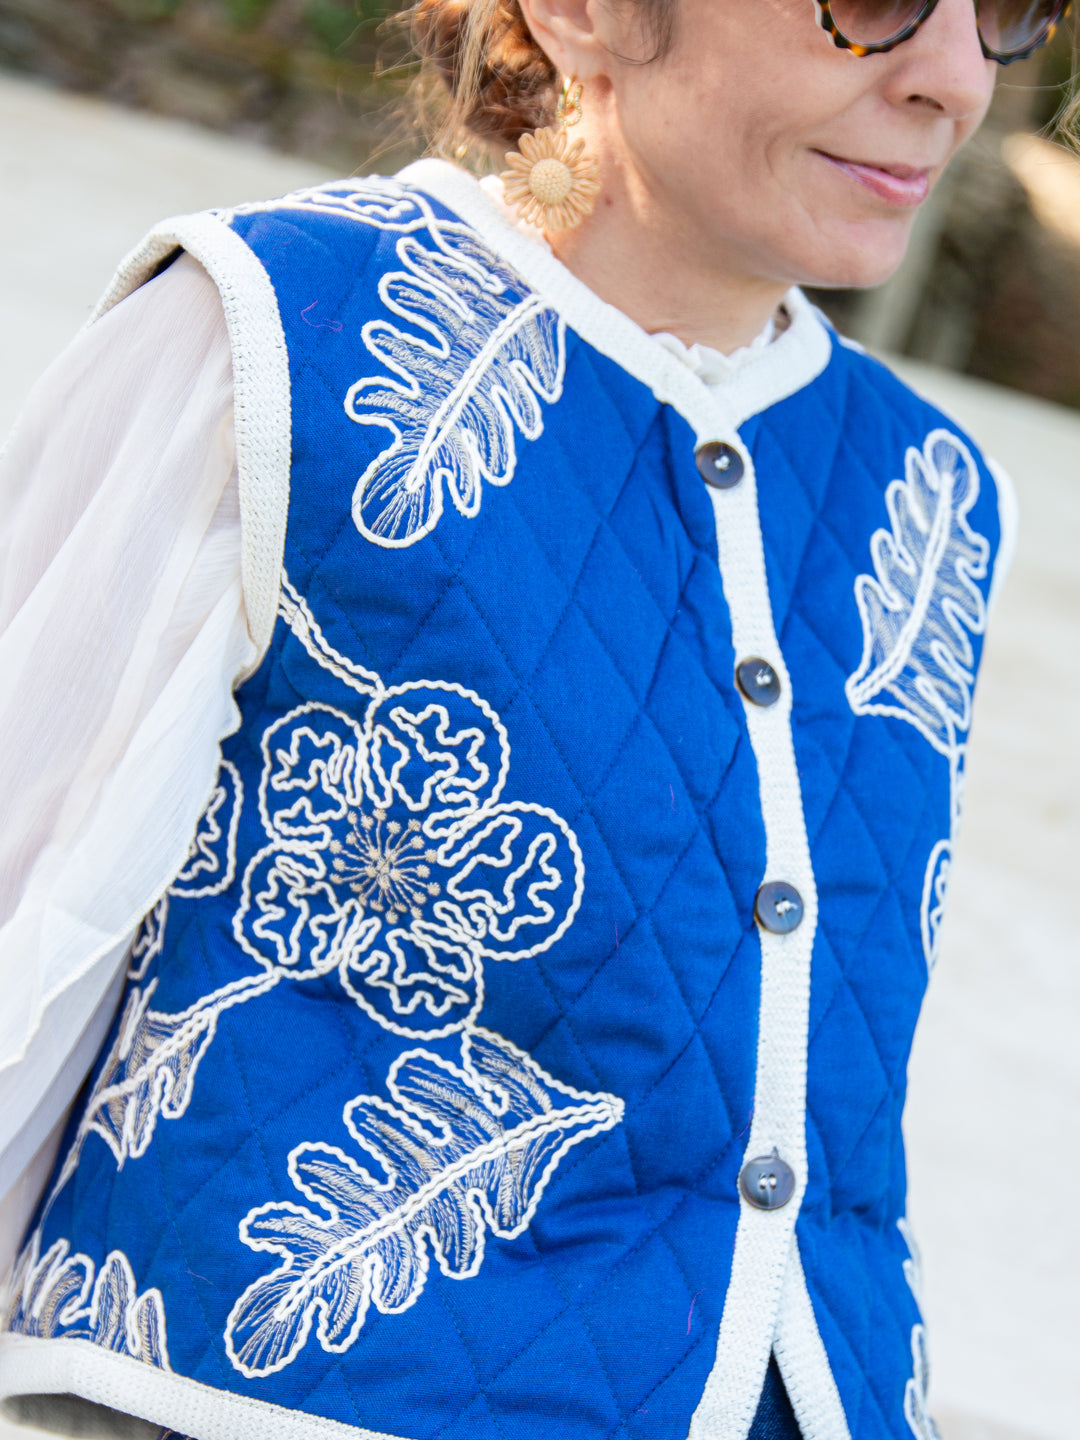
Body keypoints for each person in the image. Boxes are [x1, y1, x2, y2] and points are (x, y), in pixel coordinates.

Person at [0, 0, 1061, 1434]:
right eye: (872, 4)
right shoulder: (277, 337)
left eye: (1009, 10)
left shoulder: (931, 499)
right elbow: (25, 935)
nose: (956, 82)